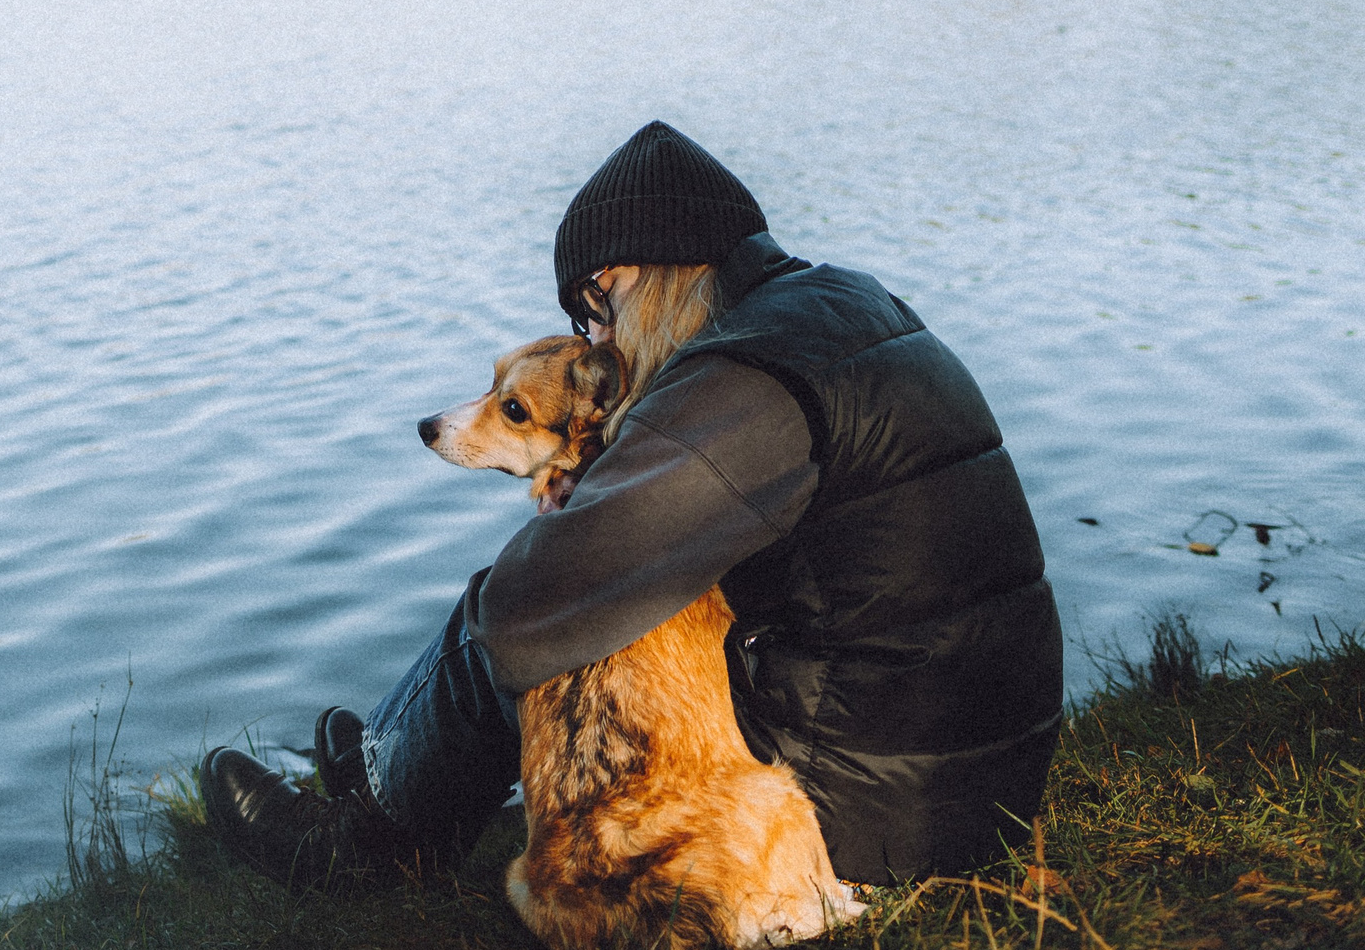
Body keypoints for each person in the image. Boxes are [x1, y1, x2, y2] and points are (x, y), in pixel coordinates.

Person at [198, 120, 1065, 892]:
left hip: (864, 819)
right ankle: (390, 760)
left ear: (627, 275)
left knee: (525, 600)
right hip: (973, 775)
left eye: (594, 313)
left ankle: (362, 848)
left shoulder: (737, 383)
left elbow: (525, 614)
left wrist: (583, 519)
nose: (599, 345)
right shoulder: (841, 303)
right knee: (578, 592)